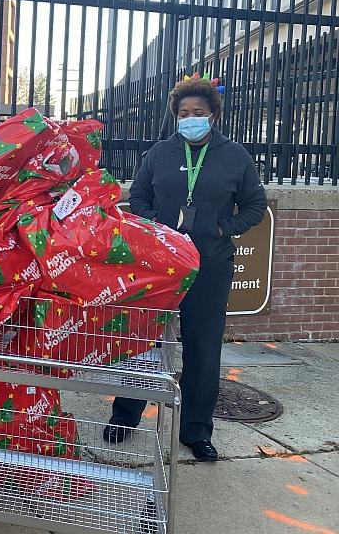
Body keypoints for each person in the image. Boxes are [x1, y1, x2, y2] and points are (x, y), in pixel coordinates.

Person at [104, 74, 267, 462]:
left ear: (213, 115)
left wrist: (220, 228)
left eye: (198, 112)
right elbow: (139, 196)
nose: (190, 118)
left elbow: (254, 207)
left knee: (203, 350)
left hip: (210, 266)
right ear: (175, 116)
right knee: (141, 344)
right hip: (161, 267)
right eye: (183, 113)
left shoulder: (235, 157)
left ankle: (196, 430)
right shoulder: (160, 153)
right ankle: (125, 416)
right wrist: (154, 228)